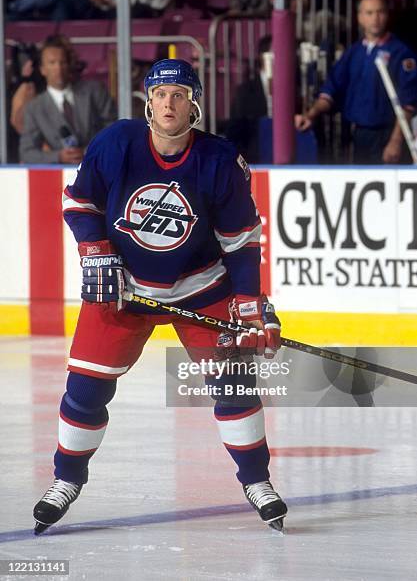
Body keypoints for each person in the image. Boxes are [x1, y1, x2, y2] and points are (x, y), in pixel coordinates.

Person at [32, 58, 287, 534]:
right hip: (124, 289)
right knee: (86, 389)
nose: (169, 102)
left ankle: (257, 480)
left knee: (233, 385)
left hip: (202, 287)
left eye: (180, 94)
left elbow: (240, 242)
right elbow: (79, 202)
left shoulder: (218, 159)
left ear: (195, 104)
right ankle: (66, 478)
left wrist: (249, 303)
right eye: (160, 94)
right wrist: (96, 253)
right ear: (147, 101)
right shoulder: (116, 143)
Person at [295, 0, 417, 164]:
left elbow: (408, 103)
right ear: (360, 17)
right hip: (359, 136)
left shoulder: (401, 53)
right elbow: (331, 89)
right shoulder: (353, 53)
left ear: (387, 15)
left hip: (389, 135)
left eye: (380, 12)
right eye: (369, 13)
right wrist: (311, 115)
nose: (375, 18)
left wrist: (395, 141)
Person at [20, 35, 116, 164]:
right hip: (61, 176)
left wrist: (87, 152)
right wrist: (58, 157)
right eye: (52, 63)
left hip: (101, 165)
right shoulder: (34, 108)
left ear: (69, 65)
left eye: (62, 62)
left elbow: (114, 130)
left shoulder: (95, 91)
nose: (58, 68)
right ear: (42, 69)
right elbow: (27, 153)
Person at [225, 35, 272, 163]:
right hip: (254, 161)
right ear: (264, 57)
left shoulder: (295, 90)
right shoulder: (245, 91)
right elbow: (235, 133)